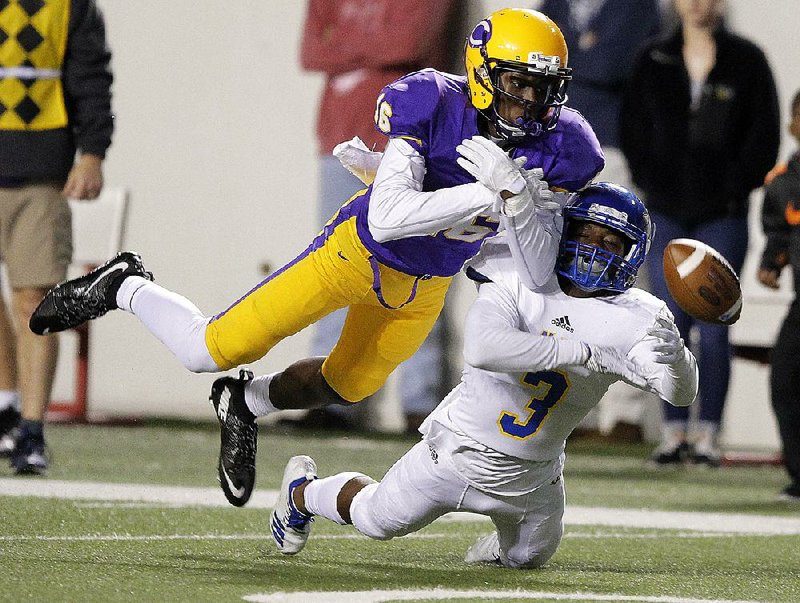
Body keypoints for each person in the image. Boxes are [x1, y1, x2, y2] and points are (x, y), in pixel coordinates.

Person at [29, 8, 604, 507]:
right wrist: (488, 191)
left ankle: (245, 402)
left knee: (347, 386)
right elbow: (388, 217)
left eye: (541, 87)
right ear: (482, 73)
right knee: (209, 349)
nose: (528, 101)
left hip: (427, 282)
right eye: (515, 82)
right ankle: (125, 284)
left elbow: (530, 255)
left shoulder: (565, 144)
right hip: (357, 253)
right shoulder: (430, 99)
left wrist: (515, 204)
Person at [268, 183, 699, 565]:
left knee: (528, 556)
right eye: (585, 233)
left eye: (610, 242)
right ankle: (303, 491)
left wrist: (679, 360)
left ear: (631, 255)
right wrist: (584, 353)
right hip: (458, 451)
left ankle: (492, 551)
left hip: (535, 475)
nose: (593, 248)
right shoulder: (517, 275)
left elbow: (678, 395)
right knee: (374, 519)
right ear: (564, 233)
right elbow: (483, 348)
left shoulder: (639, 315)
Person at [619, 0, 780, 466]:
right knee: (669, 324)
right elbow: (633, 129)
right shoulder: (653, 58)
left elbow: (763, 135)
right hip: (666, 210)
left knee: (714, 325)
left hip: (721, 213)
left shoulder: (746, 60)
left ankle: (708, 434)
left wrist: (731, 186)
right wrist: (653, 182)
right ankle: (672, 433)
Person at [299, 0, 458, 433]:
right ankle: (329, 397)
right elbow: (310, 51)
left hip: (407, 144)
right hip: (339, 138)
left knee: (419, 270)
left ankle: (419, 402)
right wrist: (372, 49)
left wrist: (345, 46)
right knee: (334, 266)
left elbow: (405, 44)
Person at [538, 0, 662, 442]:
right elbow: (541, 70)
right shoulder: (555, 4)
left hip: (613, 148)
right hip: (556, 150)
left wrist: (573, 59)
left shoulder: (639, 7)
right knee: (558, 277)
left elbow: (614, 67)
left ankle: (625, 412)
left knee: (618, 276)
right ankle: (571, 408)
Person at [0, 0, 113, 474]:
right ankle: (6, 405)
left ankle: (31, 429)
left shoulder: (71, 6)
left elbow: (90, 78)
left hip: (39, 172)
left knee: (33, 300)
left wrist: (91, 152)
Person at [758, 89, 800, 502]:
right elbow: (779, 233)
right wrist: (772, 263)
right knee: (785, 381)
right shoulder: (783, 181)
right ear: (792, 126)